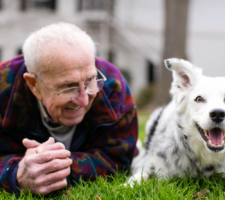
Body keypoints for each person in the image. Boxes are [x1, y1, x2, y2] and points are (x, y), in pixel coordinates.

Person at [0, 22, 138, 195]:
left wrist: (52, 167)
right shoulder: (3, 86)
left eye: (90, 81)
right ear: (34, 85)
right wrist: (15, 174)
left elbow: (118, 159)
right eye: (68, 87)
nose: (83, 100)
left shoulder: (112, 85)